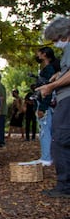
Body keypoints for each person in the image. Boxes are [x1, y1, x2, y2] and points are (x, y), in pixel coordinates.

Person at [37, 16, 70, 198]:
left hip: (67, 99)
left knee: (61, 139)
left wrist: (51, 87)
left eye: (56, 39)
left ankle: (65, 186)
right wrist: (59, 74)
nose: (56, 43)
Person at [29, 47, 58, 166]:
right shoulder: (49, 69)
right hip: (46, 102)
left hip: (45, 103)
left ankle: (46, 157)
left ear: (44, 55)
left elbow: (48, 89)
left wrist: (42, 107)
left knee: (45, 131)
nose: (37, 55)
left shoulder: (49, 69)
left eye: (39, 53)